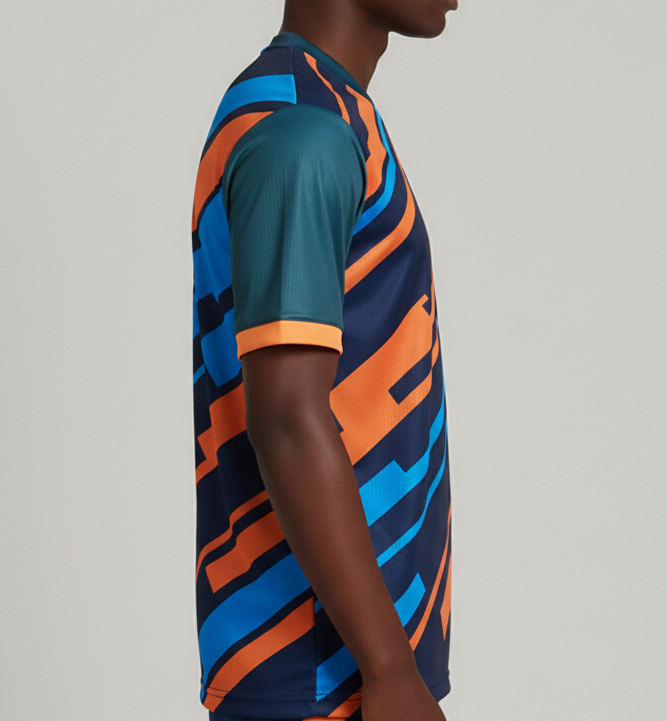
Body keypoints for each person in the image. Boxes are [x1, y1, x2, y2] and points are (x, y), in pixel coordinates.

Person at [190, 2, 458, 720]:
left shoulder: (328, 112)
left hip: (343, 666)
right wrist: (388, 666)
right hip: (318, 673)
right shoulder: (302, 130)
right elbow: (285, 415)